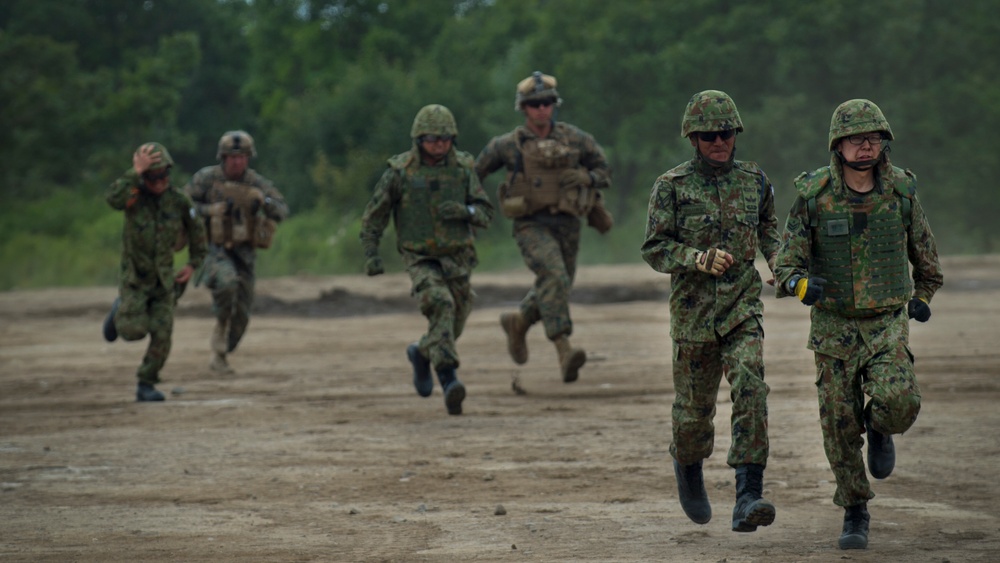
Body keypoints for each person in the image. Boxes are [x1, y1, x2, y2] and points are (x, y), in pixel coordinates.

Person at [773, 99, 943, 550]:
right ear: (838, 145)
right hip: (834, 328)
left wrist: (921, 299)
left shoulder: (902, 193)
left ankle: (882, 429)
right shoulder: (814, 196)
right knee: (838, 424)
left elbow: (927, 264)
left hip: (887, 323)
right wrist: (800, 284)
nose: (866, 147)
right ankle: (854, 509)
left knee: (901, 401)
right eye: (856, 139)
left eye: (873, 138)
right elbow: (785, 262)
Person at [640, 90, 781, 532]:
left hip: (742, 309)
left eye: (725, 133)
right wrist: (695, 258)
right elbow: (654, 248)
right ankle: (688, 466)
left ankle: (748, 494)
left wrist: (780, 263)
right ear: (693, 139)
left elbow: (769, 230)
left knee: (752, 387)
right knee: (693, 414)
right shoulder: (672, 186)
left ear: (736, 134)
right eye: (708, 136)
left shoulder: (754, 181)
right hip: (694, 317)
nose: (718, 142)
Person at [475, 71, 613, 384]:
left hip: (568, 223)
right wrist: (475, 208)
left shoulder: (575, 139)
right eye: (535, 104)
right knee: (555, 276)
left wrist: (587, 179)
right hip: (530, 224)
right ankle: (564, 349)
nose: (542, 109)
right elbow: (474, 174)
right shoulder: (508, 146)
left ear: (554, 105)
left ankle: (519, 321)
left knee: (557, 285)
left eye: (547, 103)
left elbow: (604, 169)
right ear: (523, 108)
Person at [360, 104, 494, 416]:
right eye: (433, 138)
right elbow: (374, 216)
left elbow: (485, 211)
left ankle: (421, 353)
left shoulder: (462, 170)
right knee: (441, 304)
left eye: (446, 138)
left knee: (453, 321)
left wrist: (466, 212)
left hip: (458, 257)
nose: (440, 145)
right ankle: (449, 380)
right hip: (420, 257)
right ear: (419, 139)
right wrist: (371, 254)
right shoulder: (401, 172)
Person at [102, 142, 208, 401]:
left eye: (164, 176)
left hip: (164, 282)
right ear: (144, 177)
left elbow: (197, 233)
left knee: (163, 333)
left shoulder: (178, 201)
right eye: (153, 176)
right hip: (135, 280)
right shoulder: (133, 197)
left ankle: (146, 383)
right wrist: (134, 171)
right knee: (133, 331)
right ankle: (119, 312)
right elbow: (113, 199)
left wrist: (192, 264)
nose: (160, 182)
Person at [185, 130, 289, 374]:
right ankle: (219, 339)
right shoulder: (206, 179)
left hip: (244, 255)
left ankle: (223, 348)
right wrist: (209, 210)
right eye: (232, 157)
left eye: (242, 157)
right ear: (222, 157)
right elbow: (181, 204)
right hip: (213, 250)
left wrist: (264, 201)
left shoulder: (256, 182)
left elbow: (281, 210)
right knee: (226, 282)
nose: (237, 161)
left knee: (242, 316)